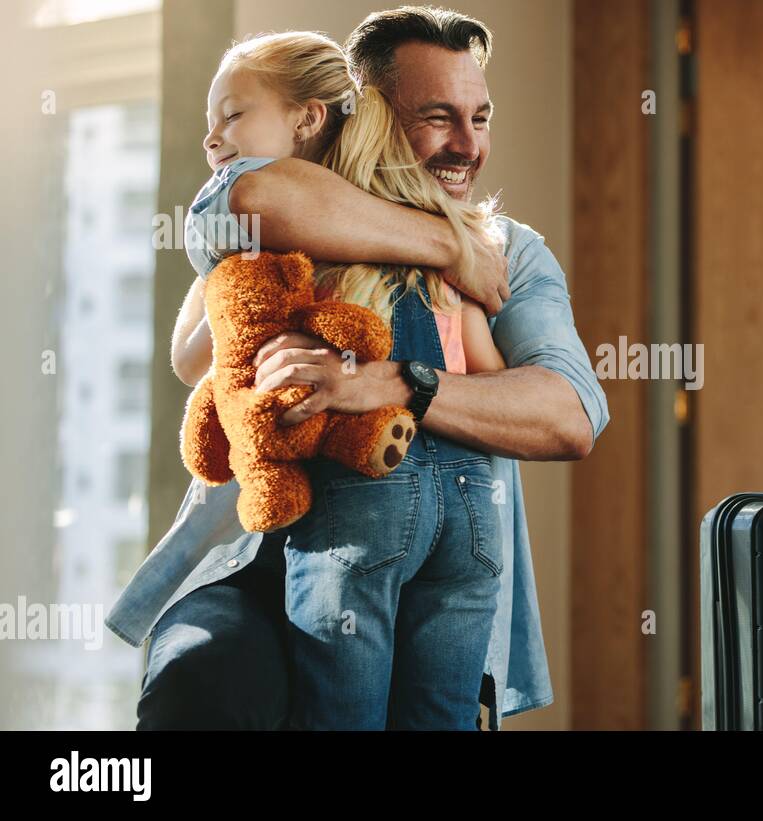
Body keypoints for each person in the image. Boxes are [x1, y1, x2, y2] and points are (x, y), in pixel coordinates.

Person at [107, 6, 609, 730]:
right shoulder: (276, 188)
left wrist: (402, 380)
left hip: (408, 535)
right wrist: (444, 243)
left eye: (481, 117)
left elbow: (569, 413)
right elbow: (247, 200)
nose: (467, 145)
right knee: (201, 685)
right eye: (439, 117)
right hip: (254, 559)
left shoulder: (510, 250)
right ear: (362, 112)